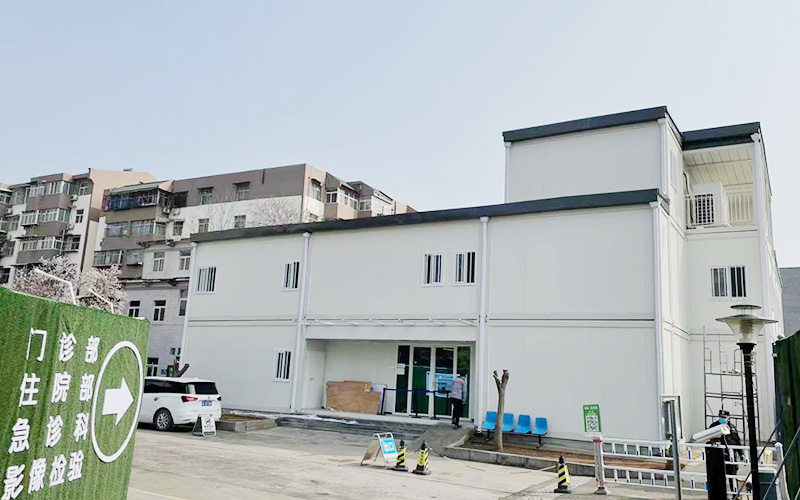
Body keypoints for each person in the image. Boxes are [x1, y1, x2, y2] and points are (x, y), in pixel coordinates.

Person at [709, 410, 745, 490]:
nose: (722, 419)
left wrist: (741, 453)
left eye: (724, 418)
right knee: (719, 478)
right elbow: (710, 440)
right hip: (719, 456)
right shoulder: (714, 426)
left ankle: (735, 494)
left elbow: (737, 441)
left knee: (733, 476)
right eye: (721, 417)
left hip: (731, 456)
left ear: (728, 418)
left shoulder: (732, 427)